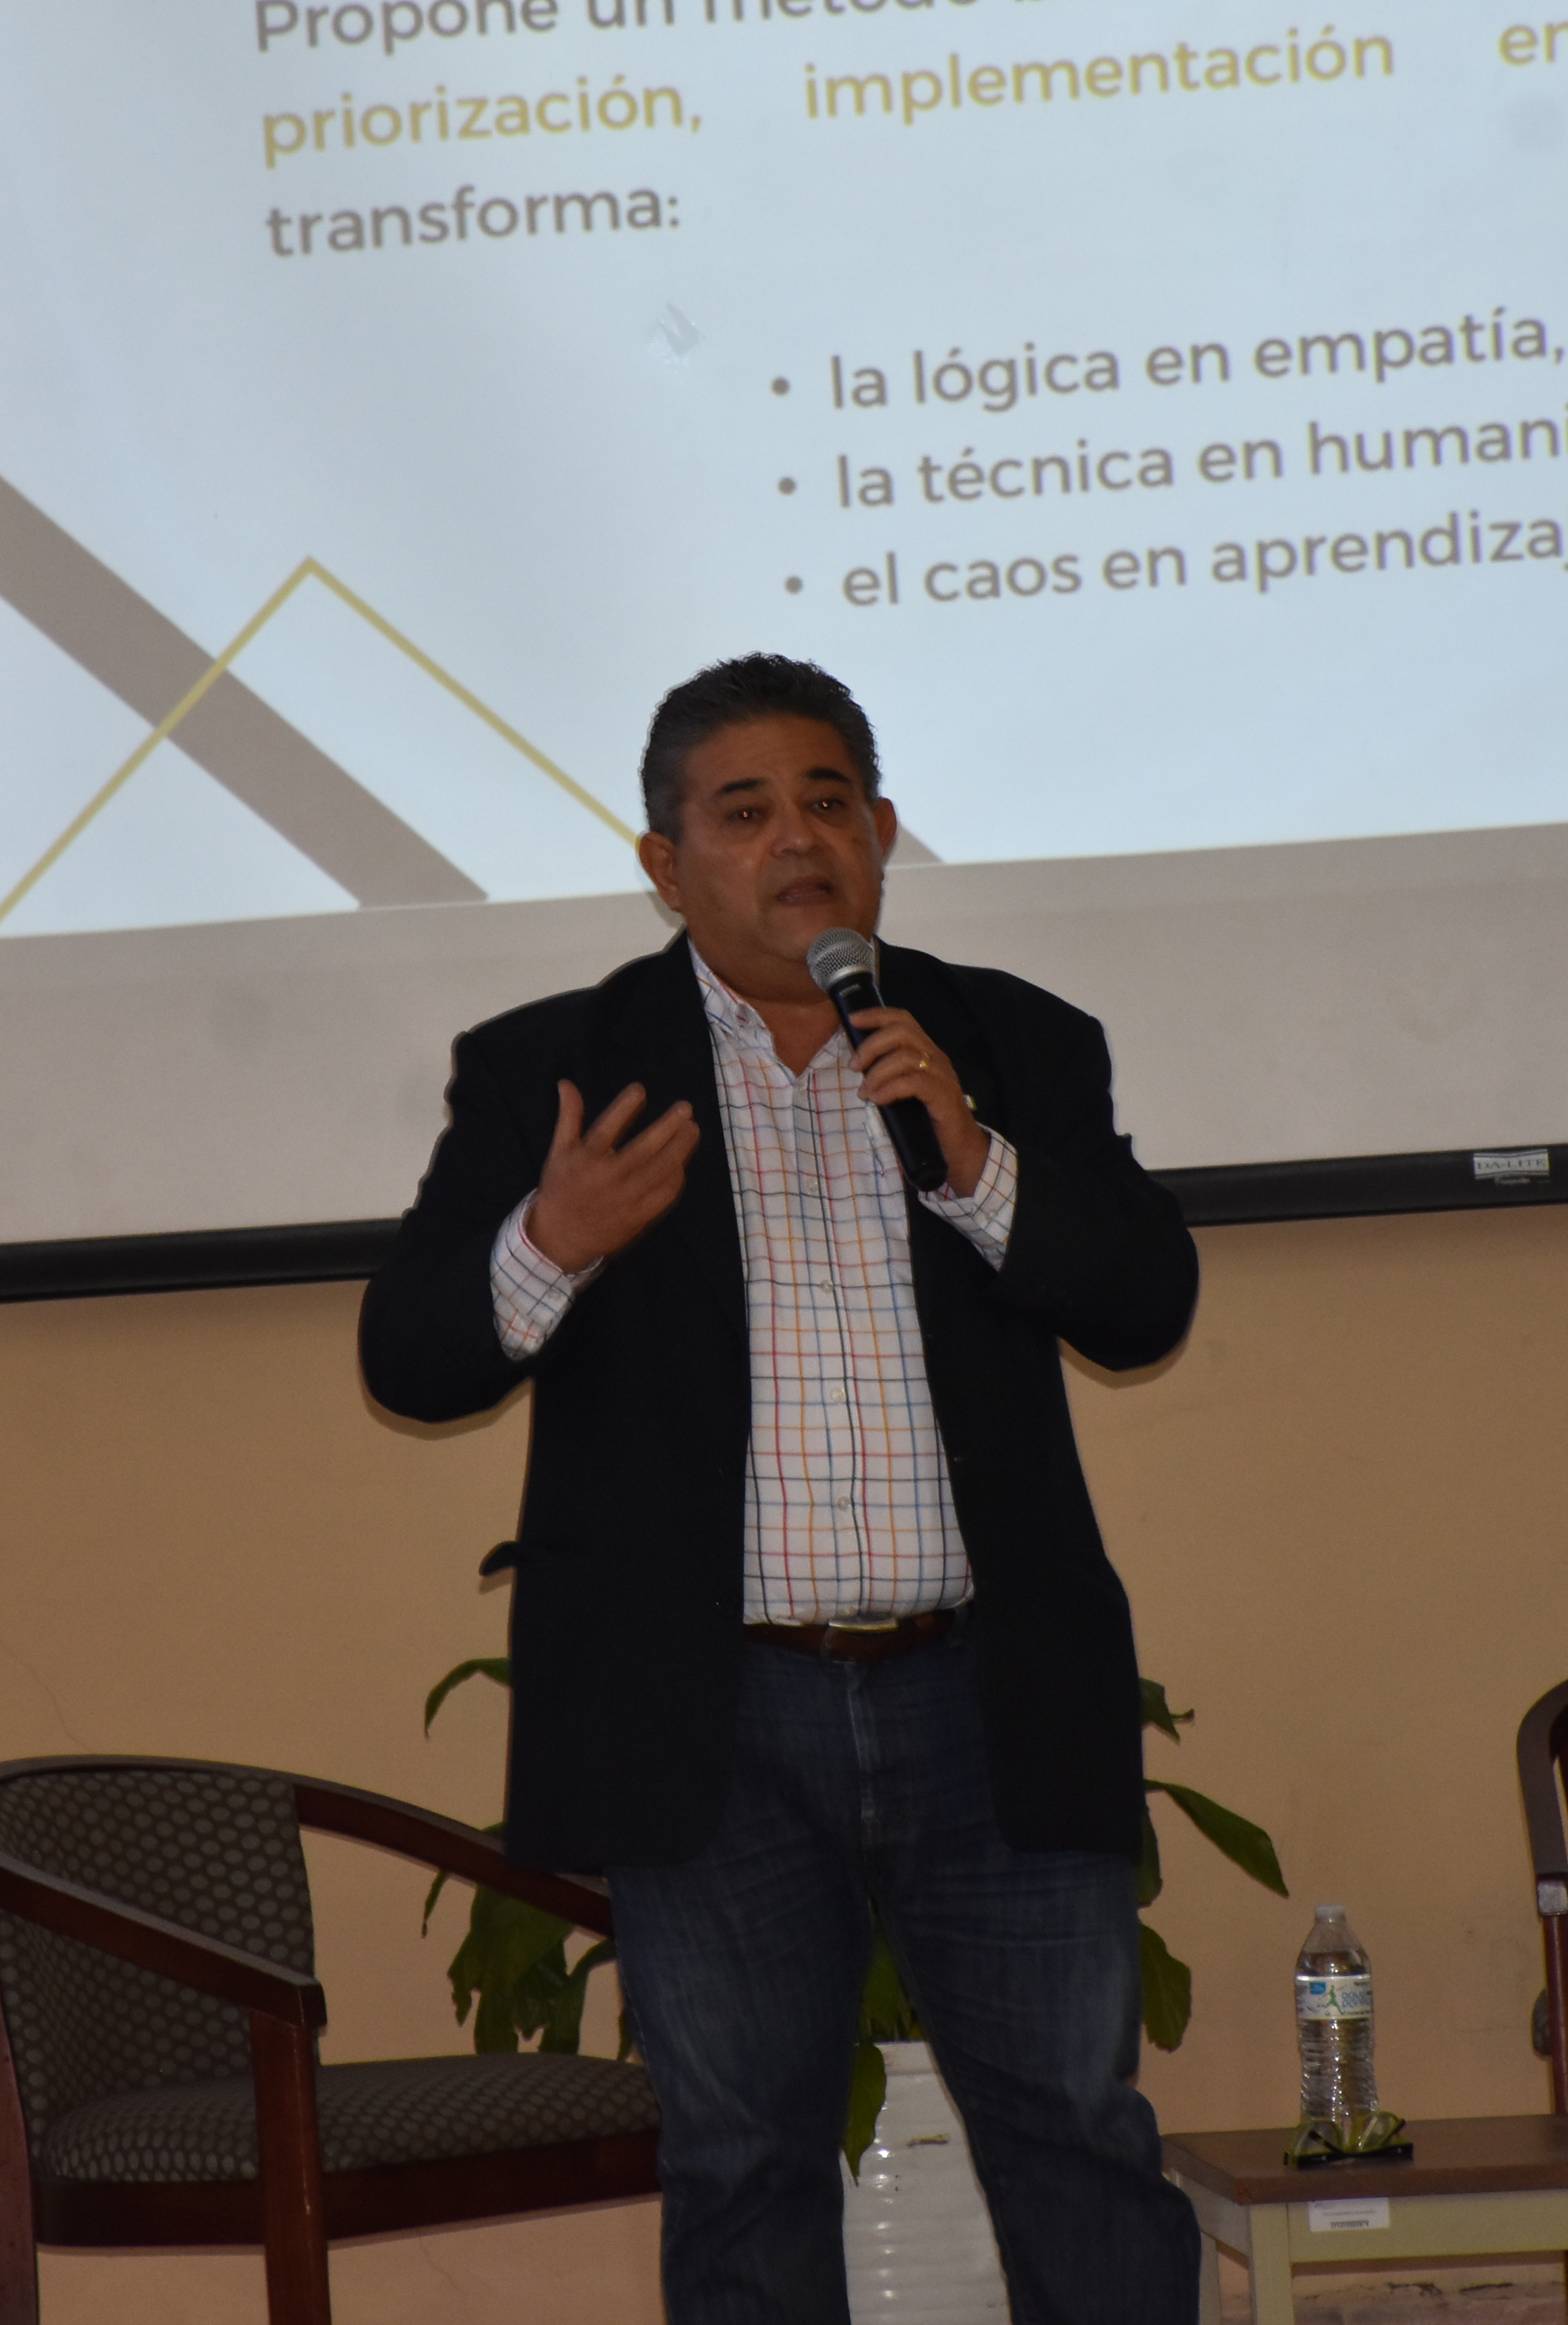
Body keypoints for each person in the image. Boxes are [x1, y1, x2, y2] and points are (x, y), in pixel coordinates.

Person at [358, 655, 1202, 2323]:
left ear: (883, 833)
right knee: (743, 2165)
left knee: (1078, 2137)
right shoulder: (557, 1068)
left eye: (829, 802)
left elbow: (1144, 1303)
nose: (797, 839)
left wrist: (978, 1163)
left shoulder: (1010, 1044)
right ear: (666, 865)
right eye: (744, 812)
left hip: (988, 1693)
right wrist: (551, 1244)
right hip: (712, 1716)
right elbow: (413, 1356)